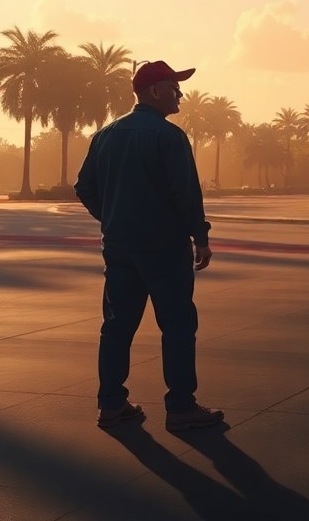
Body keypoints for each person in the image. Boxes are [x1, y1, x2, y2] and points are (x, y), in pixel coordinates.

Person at [75, 60, 223, 432]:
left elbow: (84, 186)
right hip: (163, 247)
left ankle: (111, 403)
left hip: (120, 246)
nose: (181, 94)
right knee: (176, 324)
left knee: (117, 326)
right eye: (174, 88)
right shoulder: (169, 137)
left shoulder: (106, 135)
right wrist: (200, 237)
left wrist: (111, 217)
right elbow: (185, 192)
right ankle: (181, 407)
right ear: (155, 91)